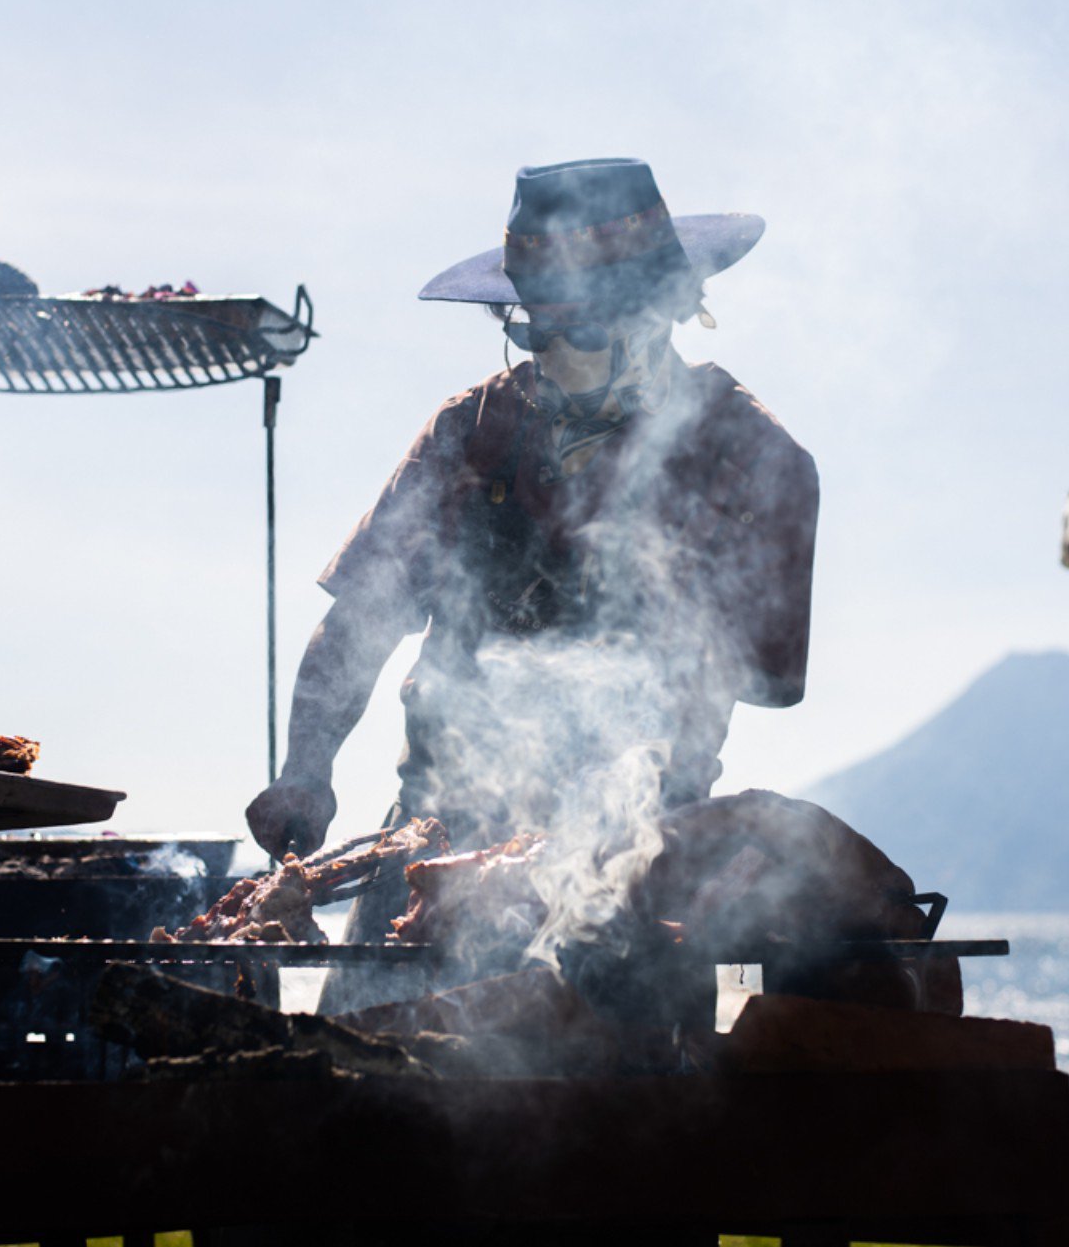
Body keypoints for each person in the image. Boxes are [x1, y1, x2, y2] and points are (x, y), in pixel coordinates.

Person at [246, 159, 819, 1002]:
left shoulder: (753, 457)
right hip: (431, 853)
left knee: (619, 1098)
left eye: (577, 323)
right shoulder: (473, 431)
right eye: (529, 324)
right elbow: (361, 619)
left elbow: (770, 675)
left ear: (659, 303)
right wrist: (306, 768)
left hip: (635, 851)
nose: (549, 348)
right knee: (357, 1077)